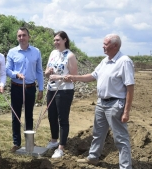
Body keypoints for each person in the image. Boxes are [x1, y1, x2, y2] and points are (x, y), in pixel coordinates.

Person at [66, 34, 134, 168]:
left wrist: (126, 111)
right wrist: (74, 77)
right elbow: (92, 76)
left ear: (115, 46)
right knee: (98, 133)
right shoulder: (105, 61)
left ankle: (125, 166)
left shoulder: (124, 61)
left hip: (115, 104)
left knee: (120, 138)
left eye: (106, 44)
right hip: (101, 103)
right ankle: (93, 157)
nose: (103, 46)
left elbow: (130, 88)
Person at [6, 27, 44, 152]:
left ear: (28, 37)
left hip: (30, 88)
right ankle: (16, 143)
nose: (21, 38)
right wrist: (16, 74)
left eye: (24, 35)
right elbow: (7, 70)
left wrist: (41, 88)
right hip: (16, 87)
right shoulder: (12, 52)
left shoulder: (36, 51)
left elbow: (39, 71)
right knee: (16, 116)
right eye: (19, 36)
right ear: (17, 38)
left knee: (29, 115)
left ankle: (29, 143)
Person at [44, 31, 78, 158]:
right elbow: (47, 72)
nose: (55, 43)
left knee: (62, 119)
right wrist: (48, 72)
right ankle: (54, 140)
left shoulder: (70, 56)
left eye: (58, 40)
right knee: (51, 116)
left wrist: (59, 77)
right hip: (51, 89)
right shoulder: (53, 54)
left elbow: (74, 77)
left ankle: (61, 147)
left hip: (64, 91)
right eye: (54, 40)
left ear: (65, 40)